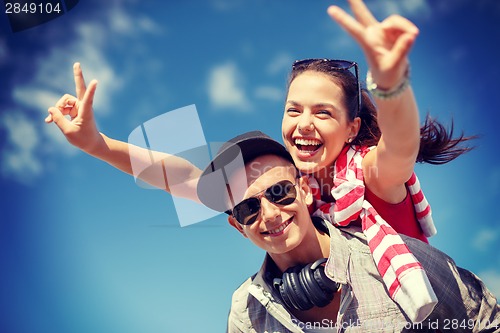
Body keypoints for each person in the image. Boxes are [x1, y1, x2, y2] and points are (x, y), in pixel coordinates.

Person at [44, 0, 476, 321]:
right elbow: (184, 177)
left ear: (351, 127)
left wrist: (391, 82)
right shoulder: (287, 179)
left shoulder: (367, 173)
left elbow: (401, 146)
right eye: (293, 110)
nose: (304, 124)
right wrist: (97, 144)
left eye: (323, 112)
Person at [196, 130, 499, 333]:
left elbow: (485, 320)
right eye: (248, 209)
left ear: (303, 191)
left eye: (279, 192)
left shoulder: (392, 259)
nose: (271, 214)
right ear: (237, 225)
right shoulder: (246, 311)